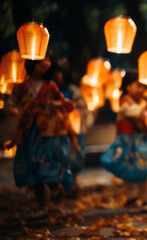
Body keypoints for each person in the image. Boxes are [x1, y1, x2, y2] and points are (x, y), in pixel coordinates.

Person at [4, 52, 74, 218]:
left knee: (47, 164)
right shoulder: (22, 86)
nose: (46, 62)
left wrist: (52, 104)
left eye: (49, 59)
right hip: (28, 131)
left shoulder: (50, 86)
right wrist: (15, 110)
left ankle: (55, 189)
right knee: (32, 169)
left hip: (47, 133)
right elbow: (11, 104)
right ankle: (42, 205)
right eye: (43, 59)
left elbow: (64, 103)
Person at [100, 69, 147, 211]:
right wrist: (145, 107)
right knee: (129, 170)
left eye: (144, 87)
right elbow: (132, 112)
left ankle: (145, 200)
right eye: (138, 85)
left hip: (140, 142)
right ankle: (131, 198)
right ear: (127, 86)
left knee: (141, 170)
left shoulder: (138, 103)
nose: (141, 90)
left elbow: (143, 117)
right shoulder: (124, 101)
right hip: (127, 142)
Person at [53, 61, 89, 198]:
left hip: (72, 130)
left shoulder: (72, 90)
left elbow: (82, 109)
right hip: (55, 131)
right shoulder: (50, 89)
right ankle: (58, 187)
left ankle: (73, 185)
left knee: (74, 158)